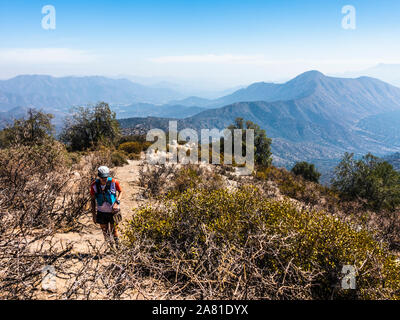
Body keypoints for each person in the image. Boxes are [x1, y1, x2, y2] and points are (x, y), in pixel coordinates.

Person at [90, 166, 123, 248]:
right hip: (101, 212)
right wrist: (94, 215)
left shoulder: (114, 182)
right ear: (99, 176)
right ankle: (111, 248)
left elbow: (121, 191)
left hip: (113, 211)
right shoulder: (94, 185)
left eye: (105, 177)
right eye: (102, 177)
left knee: (114, 231)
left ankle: (118, 248)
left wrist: (117, 202)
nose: (104, 179)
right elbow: (93, 200)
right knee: (105, 232)